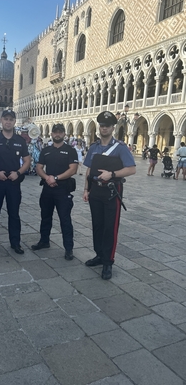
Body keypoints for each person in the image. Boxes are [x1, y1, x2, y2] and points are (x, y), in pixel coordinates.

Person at [83, 112, 136, 280]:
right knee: (97, 225)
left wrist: (111, 174)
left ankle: (108, 262)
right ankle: (99, 255)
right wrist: (86, 189)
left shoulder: (120, 147)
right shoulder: (94, 147)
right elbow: (89, 170)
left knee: (110, 228)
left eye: (107, 125)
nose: (104, 127)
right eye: (101, 125)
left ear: (113, 127)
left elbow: (131, 169)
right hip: (95, 191)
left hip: (112, 191)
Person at [0, 109, 30, 255]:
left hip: (14, 183)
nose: (8, 122)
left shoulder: (20, 141)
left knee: (14, 214)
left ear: (15, 122)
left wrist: (19, 172)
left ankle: (15, 243)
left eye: (11, 119)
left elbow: (27, 161)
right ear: (1, 121)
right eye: (6, 119)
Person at [31, 123, 78, 260]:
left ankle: (68, 248)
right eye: (55, 132)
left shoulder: (70, 150)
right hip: (47, 188)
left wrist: (56, 178)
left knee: (65, 219)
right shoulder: (46, 150)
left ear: (64, 134)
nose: (57, 134)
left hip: (63, 189)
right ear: (51, 134)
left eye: (60, 132)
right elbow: (39, 167)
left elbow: (73, 169)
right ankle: (44, 241)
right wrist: (47, 178)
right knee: (45, 216)